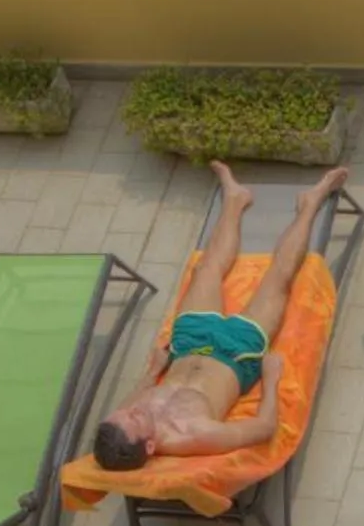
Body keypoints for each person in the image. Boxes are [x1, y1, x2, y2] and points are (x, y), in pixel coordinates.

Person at [90, 162, 348, 469]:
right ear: (150, 444)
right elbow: (264, 429)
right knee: (278, 277)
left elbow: (135, 398)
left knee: (207, 268)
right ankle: (310, 203)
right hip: (236, 354)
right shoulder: (196, 435)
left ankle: (235, 199)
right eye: (135, 416)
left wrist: (152, 372)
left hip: (187, 344)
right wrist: (270, 377)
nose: (132, 409)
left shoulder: (119, 425)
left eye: (124, 412)